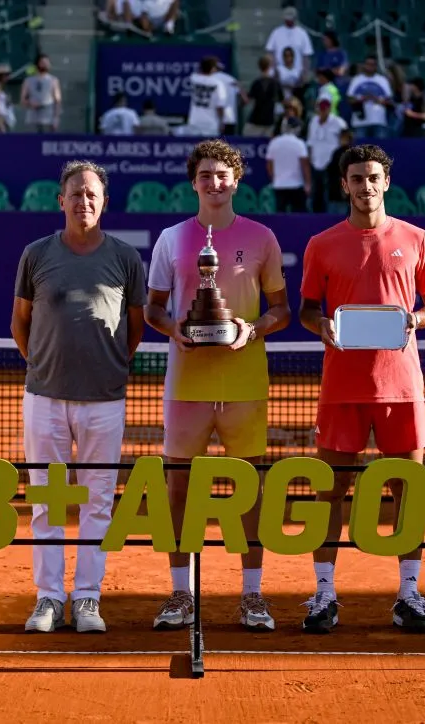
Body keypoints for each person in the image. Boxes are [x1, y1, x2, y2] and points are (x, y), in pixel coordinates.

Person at [298, 144, 425, 634]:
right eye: (357, 178)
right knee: (331, 490)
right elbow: (306, 310)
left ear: (386, 182)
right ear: (344, 184)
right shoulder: (321, 243)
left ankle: (409, 594)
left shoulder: (417, 238)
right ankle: (323, 594)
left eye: (374, 178)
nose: (366, 186)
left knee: (409, 489)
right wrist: (322, 326)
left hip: (401, 386)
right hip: (342, 386)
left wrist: (414, 320)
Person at [144, 139, 291, 632]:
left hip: (246, 381)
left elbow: (282, 310)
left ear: (237, 180)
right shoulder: (171, 239)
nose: (215, 183)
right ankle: (181, 593)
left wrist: (253, 329)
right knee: (178, 488)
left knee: (249, 489)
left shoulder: (263, 237)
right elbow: (154, 308)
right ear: (194, 183)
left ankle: (252, 595)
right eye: (206, 175)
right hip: (186, 383)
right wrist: (174, 332)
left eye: (223, 174)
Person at [11, 160, 147, 634]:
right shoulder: (36, 254)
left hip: (105, 401)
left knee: (98, 503)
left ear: (103, 201)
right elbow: (20, 322)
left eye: (92, 194)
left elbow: (135, 328)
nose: (84, 201)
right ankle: (48, 598)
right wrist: (43, 366)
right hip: (44, 399)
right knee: (46, 502)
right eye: (76, 194)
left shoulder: (126, 258)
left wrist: (108, 367)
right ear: (61, 200)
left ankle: (87, 598)